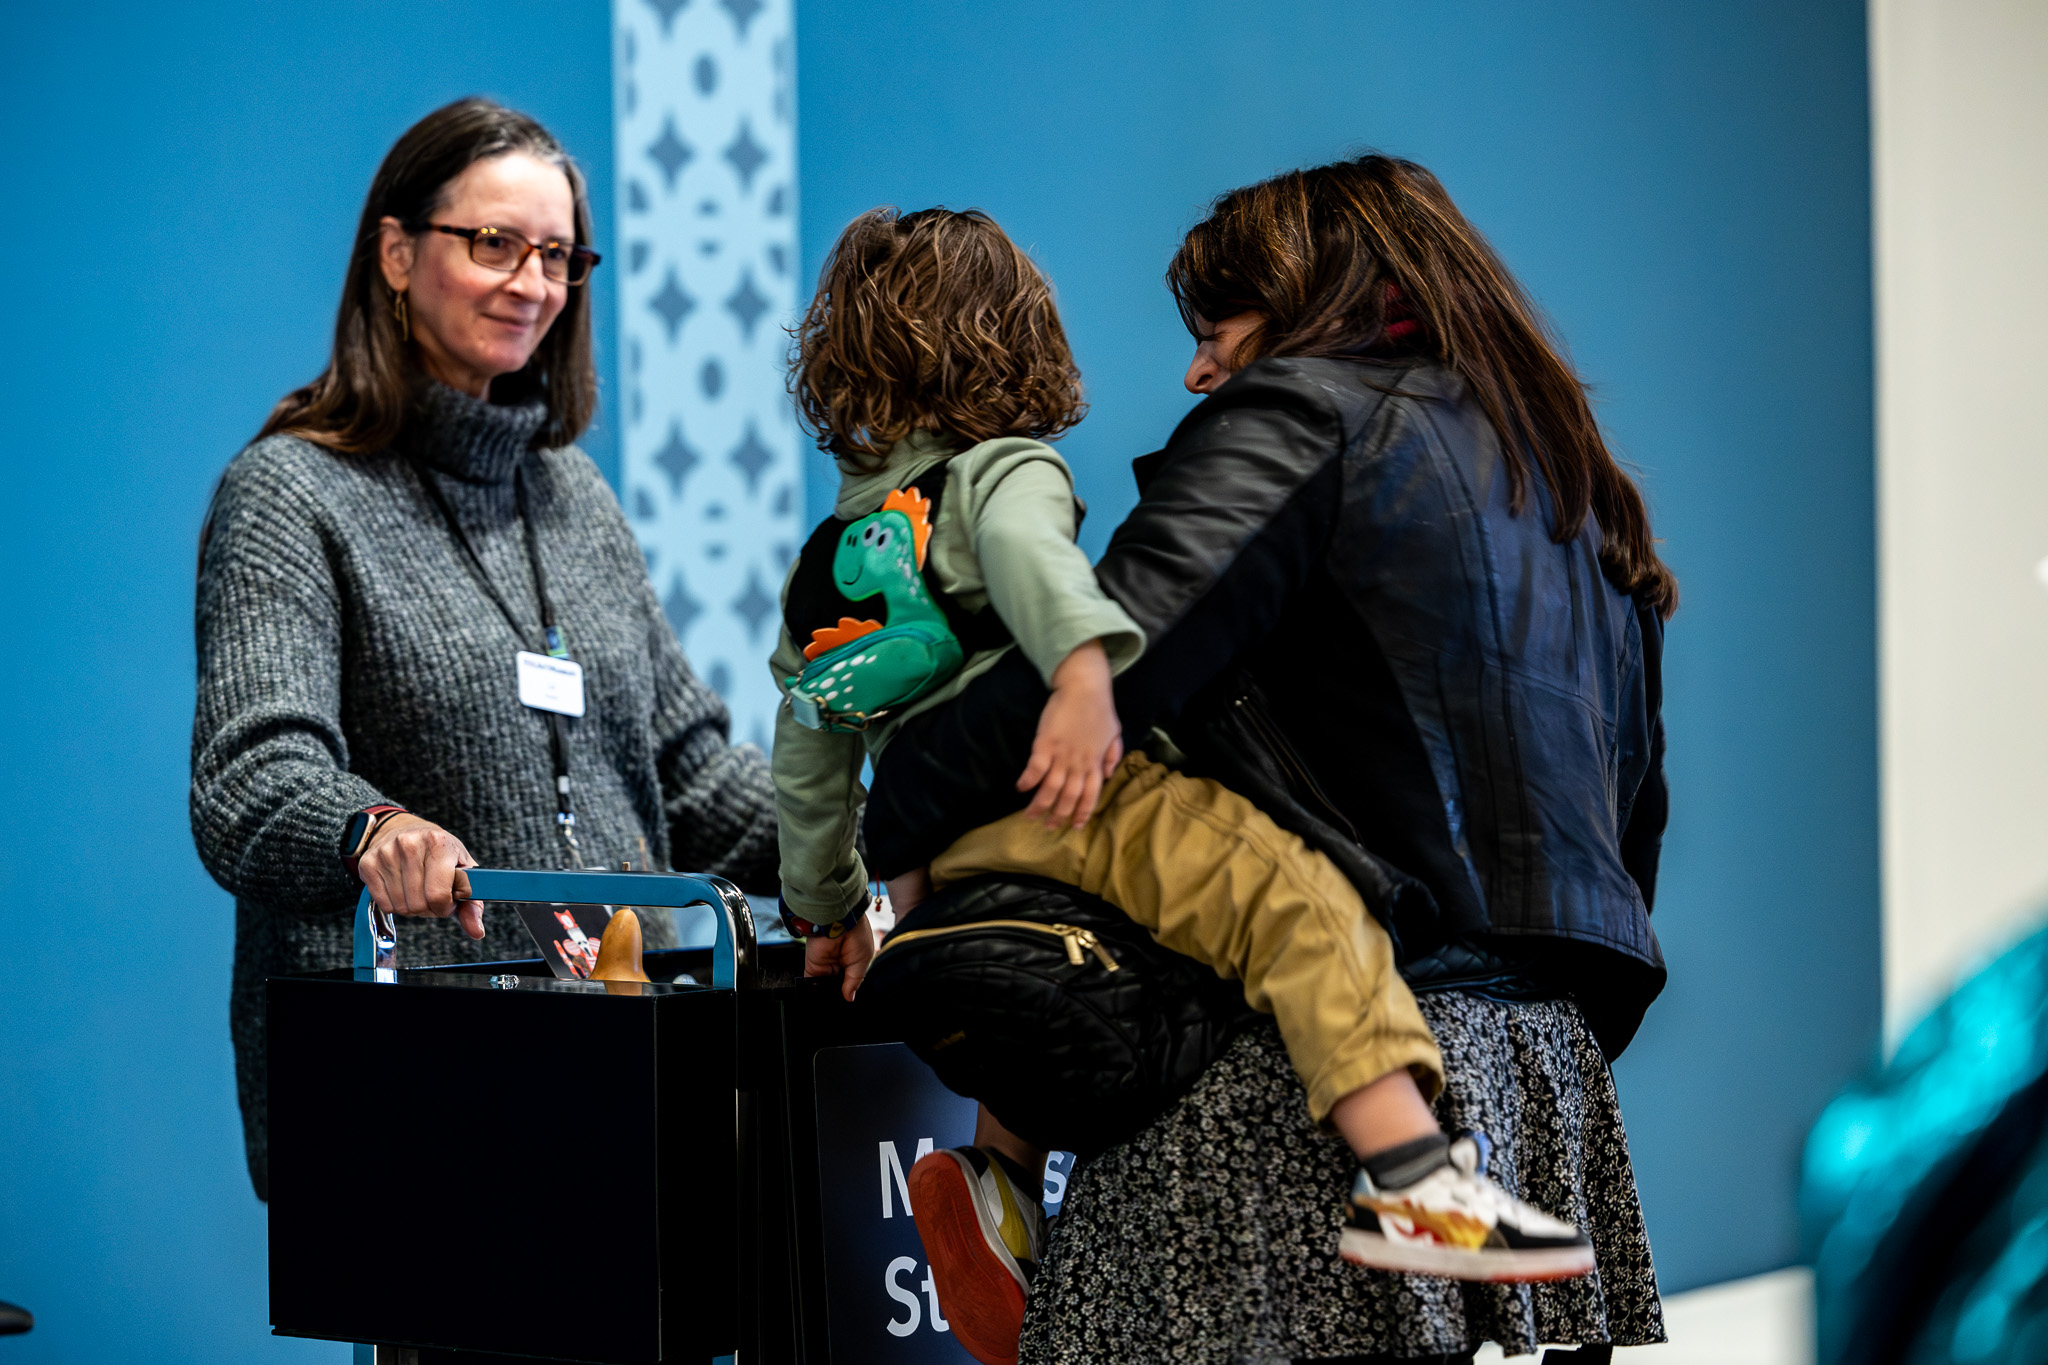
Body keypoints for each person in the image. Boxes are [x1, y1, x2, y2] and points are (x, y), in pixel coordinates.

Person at [857, 154, 1674, 1363]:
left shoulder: (1303, 416)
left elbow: (1104, 662)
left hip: (1281, 1100)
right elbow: (1632, 821)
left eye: (1219, 328)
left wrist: (895, 811)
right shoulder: (1576, 488)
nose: (1195, 369)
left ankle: (999, 1185)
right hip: (1535, 1084)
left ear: (1309, 303)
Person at [190, 98, 777, 1200]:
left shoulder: (576, 498)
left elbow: (690, 776)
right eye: (494, 244)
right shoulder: (291, 492)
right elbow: (252, 778)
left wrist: (868, 842)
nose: (532, 284)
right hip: (419, 1087)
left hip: (628, 1063)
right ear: (398, 252)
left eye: (557, 255)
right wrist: (376, 828)